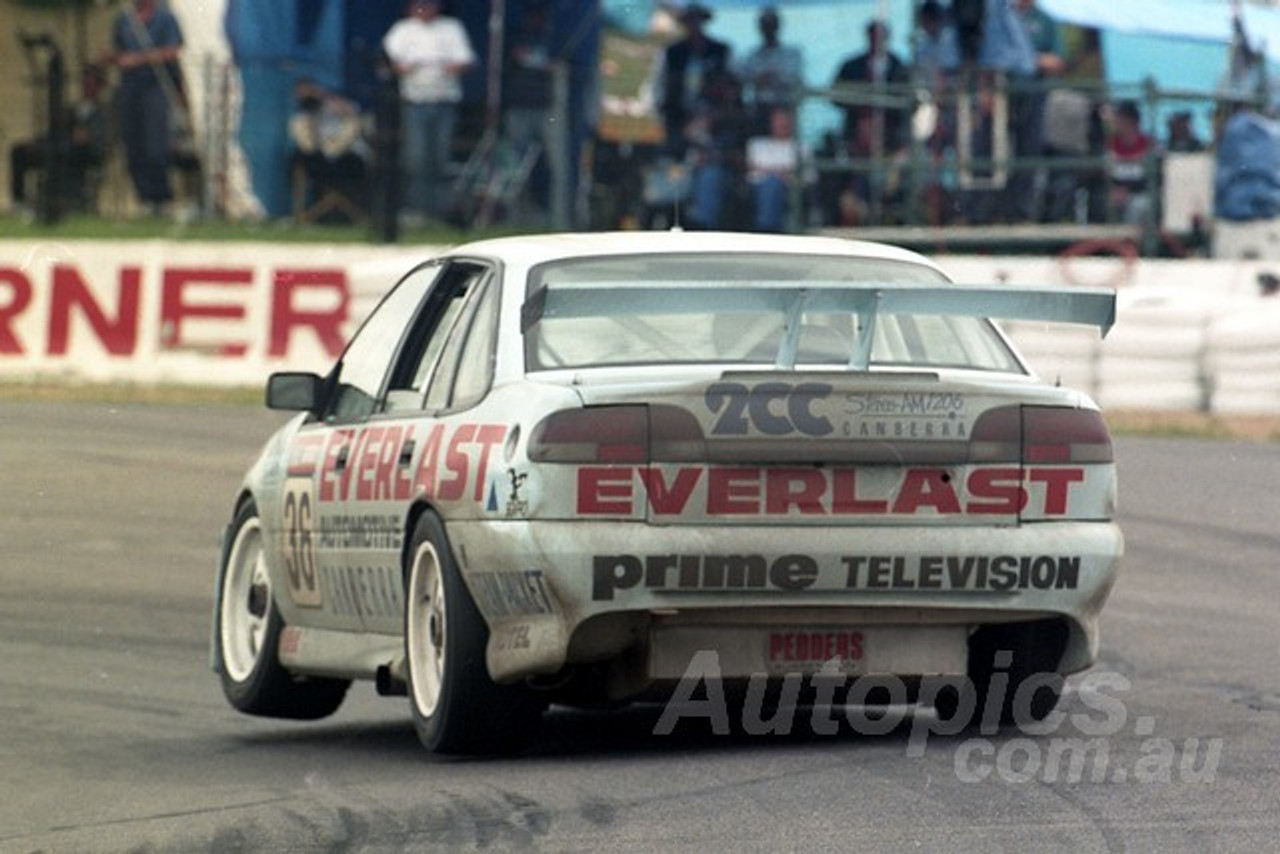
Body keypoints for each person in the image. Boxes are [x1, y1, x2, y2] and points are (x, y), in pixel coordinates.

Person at [382, 0, 476, 222]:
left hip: (444, 100)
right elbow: (388, 61)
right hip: (415, 101)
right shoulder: (403, 29)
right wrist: (405, 67)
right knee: (416, 157)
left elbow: (466, 60)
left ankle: (438, 212)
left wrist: (447, 66)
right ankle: (417, 210)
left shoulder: (451, 27)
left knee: (440, 158)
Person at [105, 0, 184, 216]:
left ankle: (161, 197)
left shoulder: (165, 18)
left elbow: (173, 50)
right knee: (132, 142)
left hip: (155, 86)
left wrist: (140, 59)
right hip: (130, 87)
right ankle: (144, 197)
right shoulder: (124, 19)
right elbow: (117, 49)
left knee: (155, 143)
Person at [501, 0, 568, 227]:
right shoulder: (514, 36)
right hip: (519, 105)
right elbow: (511, 60)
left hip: (548, 107)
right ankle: (514, 218)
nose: (535, 19)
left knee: (555, 165)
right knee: (515, 167)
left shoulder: (554, 38)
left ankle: (559, 219)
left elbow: (560, 65)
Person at [10, 63, 109, 217]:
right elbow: (55, 131)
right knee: (20, 151)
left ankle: (65, 201)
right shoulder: (70, 109)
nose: (87, 86)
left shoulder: (104, 112)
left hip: (85, 154)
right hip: (60, 147)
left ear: (100, 87)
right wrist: (38, 141)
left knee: (65, 153)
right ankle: (19, 201)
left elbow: (101, 138)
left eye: (92, 83)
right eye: (85, 82)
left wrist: (87, 137)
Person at [288, 78, 370, 222]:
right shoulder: (302, 118)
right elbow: (306, 145)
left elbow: (349, 135)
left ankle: (358, 214)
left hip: (349, 160)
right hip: (319, 162)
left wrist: (345, 112)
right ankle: (305, 215)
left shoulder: (348, 113)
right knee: (296, 159)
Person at [657, 3, 732, 160]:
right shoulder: (672, 52)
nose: (693, 24)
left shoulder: (720, 50)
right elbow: (661, 85)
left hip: (712, 118)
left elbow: (729, 86)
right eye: (689, 20)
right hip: (678, 117)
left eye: (697, 20)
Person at [735, 7, 804, 136]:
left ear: (778, 26)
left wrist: (769, 77)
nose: (768, 29)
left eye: (771, 25)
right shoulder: (752, 56)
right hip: (760, 108)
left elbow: (791, 77)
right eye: (765, 25)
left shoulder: (792, 53)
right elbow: (746, 78)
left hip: (784, 107)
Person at [745, 106, 800, 232]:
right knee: (771, 183)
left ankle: (767, 229)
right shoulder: (756, 144)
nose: (782, 124)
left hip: (789, 190)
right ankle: (766, 228)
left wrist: (767, 171)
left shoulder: (801, 148)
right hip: (757, 189)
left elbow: (809, 177)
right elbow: (751, 173)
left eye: (785, 120)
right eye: (778, 120)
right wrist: (782, 172)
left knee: (773, 184)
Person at [1106, 99, 1152, 225]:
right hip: (1115, 193)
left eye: (1119, 118)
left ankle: (1128, 243)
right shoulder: (1110, 145)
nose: (1115, 122)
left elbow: (1152, 178)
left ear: (1130, 121)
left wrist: (1128, 190)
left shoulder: (1148, 145)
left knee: (1139, 205)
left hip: (1139, 193)